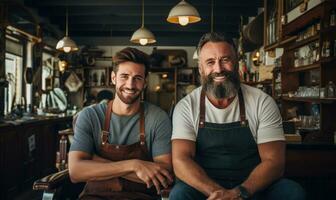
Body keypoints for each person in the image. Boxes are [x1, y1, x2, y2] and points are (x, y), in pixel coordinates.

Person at [169, 32, 305, 200]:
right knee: (179, 194)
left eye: (225, 60)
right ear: (201, 69)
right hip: (206, 190)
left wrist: (239, 192)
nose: (218, 69)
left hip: (253, 187)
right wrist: (218, 194)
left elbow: (274, 162)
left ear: (237, 63)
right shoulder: (187, 106)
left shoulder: (262, 102)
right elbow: (181, 161)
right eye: (210, 62)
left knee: (292, 192)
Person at [69, 47, 174, 200]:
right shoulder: (90, 115)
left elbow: (165, 175)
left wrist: (96, 161)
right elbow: (76, 172)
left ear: (145, 82)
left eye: (138, 78)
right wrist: (135, 165)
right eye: (124, 76)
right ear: (113, 78)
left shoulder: (158, 118)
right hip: (95, 196)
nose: (130, 85)